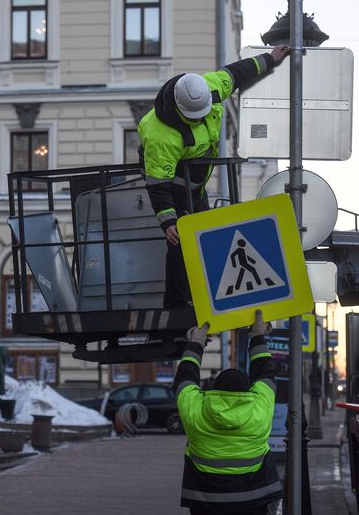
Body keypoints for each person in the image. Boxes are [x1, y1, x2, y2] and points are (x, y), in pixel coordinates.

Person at [138, 46, 289, 308]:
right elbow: (157, 184)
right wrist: (168, 221)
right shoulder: (161, 136)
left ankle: (202, 293)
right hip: (172, 183)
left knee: (205, 232)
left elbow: (237, 72)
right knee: (182, 237)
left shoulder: (208, 87)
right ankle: (175, 301)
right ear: (180, 109)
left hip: (195, 182)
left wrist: (270, 59)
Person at [173, 310, 281, 515]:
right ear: (248, 391)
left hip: (205, 502)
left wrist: (196, 342)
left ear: (214, 389)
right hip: (254, 499)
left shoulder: (197, 411)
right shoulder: (260, 408)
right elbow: (264, 372)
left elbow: (184, 379)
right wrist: (257, 336)